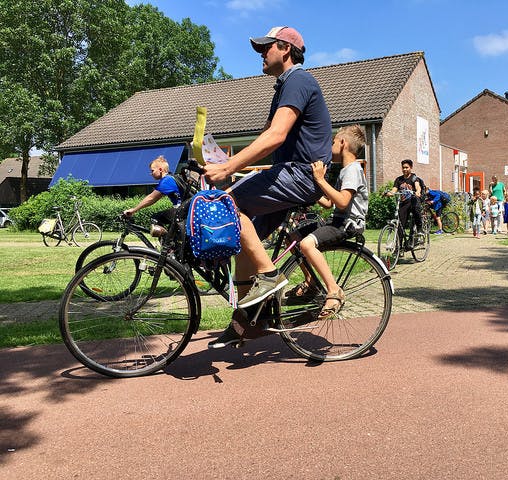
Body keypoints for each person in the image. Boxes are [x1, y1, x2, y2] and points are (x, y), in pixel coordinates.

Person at [204, 26, 333, 348]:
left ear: (285, 49)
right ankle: (247, 321)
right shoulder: (283, 88)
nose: (261, 54)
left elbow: (275, 137)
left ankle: (271, 277)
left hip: (300, 174)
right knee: (247, 241)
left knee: (227, 204)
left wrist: (228, 169)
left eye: (266, 48)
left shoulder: (298, 81)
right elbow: (265, 138)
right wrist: (224, 161)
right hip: (288, 172)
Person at [287, 125, 368, 318]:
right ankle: (311, 283)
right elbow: (329, 203)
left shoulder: (353, 170)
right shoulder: (345, 171)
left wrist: (321, 180)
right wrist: (308, 190)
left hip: (347, 224)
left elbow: (342, 202)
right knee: (293, 237)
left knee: (307, 244)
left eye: (333, 142)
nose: (330, 146)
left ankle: (334, 291)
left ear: (343, 143)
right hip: (337, 220)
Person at [123, 155, 182, 230]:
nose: (151, 174)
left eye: (152, 171)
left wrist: (133, 210)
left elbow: (151, 198)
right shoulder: (171, 177)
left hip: (180, 210)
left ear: (160, 169)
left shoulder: (167, 181)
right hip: (182, 210)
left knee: (155, 218)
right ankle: (169, 239)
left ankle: (167, 241)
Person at [386, 159, 423, 233]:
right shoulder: (398, 179)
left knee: (416, 211)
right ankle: (399, 243)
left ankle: (419, 228)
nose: (404, 169)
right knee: (400, 224)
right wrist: (390, 193)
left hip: (413, 202)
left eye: (407, 167)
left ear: (411, 167)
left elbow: (417, 187)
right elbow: (394, 190)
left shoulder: (414, 178)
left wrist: (418, 192)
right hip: (403, 203)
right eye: (403, 167)